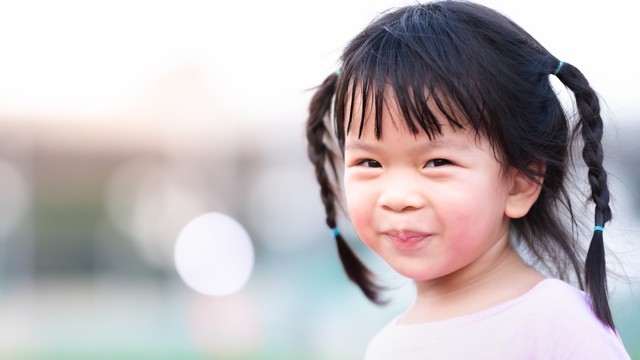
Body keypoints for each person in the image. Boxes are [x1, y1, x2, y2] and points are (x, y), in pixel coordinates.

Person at [305, 1, 632, 358]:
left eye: (436, 162)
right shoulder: (385, 348)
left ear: (520, 182)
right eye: (369, 162)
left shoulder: (558, 324)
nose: (397, 197)